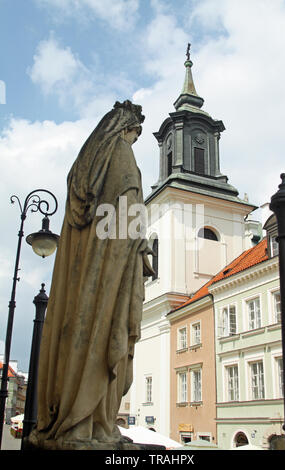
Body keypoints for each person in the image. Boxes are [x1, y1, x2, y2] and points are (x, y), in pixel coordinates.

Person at [27, 100, 153, 450]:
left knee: (79, 336)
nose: (134, 139)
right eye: (135, 133)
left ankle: (75, 418)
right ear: (125, 130)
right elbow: (127, 215)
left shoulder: (86, 168)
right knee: (105, 335)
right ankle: (92, 421)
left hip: (85, 278)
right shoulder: (122, 157)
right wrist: (140, 248)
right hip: (110, 273)